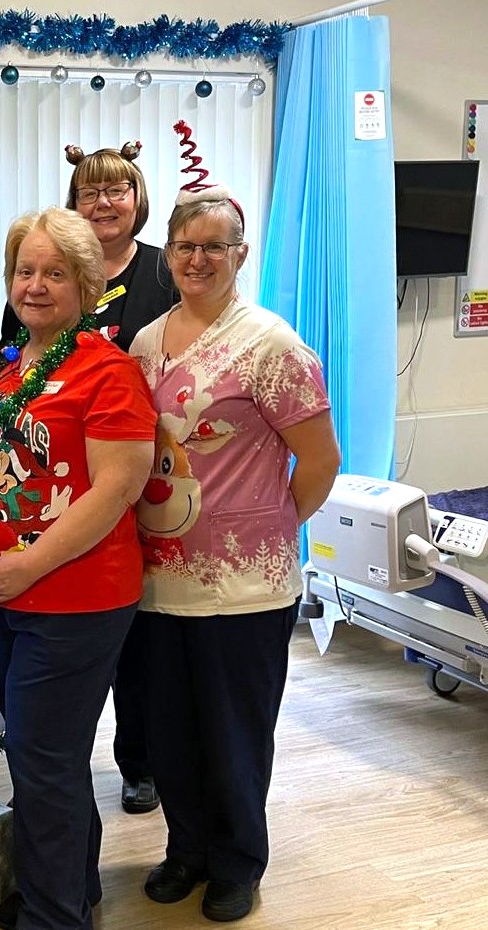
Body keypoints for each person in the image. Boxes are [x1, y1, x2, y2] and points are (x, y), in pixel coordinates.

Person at [129, 184, 340, 922]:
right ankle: (184, 849)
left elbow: (318, 459)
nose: (197, 259)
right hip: (158, 580)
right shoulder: (147, 342)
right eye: (185, 245)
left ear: (238, 255)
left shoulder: (270, 346)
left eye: (213, 246)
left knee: (233, 732)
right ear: (169, 254)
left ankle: (236, 862)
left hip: (245, 587)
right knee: (170, 730)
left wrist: (271, 526)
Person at [0, 207, 156, 930]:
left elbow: (115, 488)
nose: (34, 285)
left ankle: (53, 915)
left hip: (73, 601)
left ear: (88, 285)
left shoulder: (109, 371)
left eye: (53, 273)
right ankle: (71, 892)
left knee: (42, 761)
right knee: (43, 761)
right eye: (23, 271)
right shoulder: (7, 367)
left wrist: (24, 566)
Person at [2, 142, 177, 816]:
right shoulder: (36, 287)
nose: (104, 203)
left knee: (136, 657)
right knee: (50, 730)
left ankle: (140, 764)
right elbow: (4, 378)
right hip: (51, 496)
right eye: (90, 192)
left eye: (117, 190)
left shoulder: (165, 272)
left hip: (137, 483)